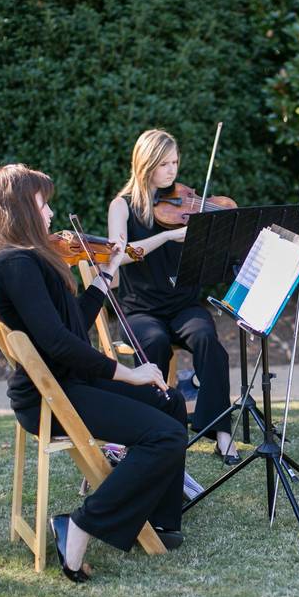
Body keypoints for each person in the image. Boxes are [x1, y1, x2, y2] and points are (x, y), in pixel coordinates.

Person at [0, 164, 189, 583]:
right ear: (18, 208)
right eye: (43, 204)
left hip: (70, 381)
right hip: (52, 395)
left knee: (171, 401)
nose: (51, 215)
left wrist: (104, 278)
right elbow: (59, 345)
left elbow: (71, 327)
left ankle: (159, 521)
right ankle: (81, 524)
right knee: (164, 435)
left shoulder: (30, 260)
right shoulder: (14, 264)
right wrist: (128, 374)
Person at [107, 129, 239, 464]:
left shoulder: (184, 202)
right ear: (146, 164)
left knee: (208, 339)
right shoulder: (121, 207)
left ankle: (220, 432)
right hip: (140, 310)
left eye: (175, 162)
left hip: (182, 304)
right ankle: (157, 430)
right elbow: (118, 255)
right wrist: (165, 239)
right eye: (164, 164)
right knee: (153, 345)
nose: (172, 170)